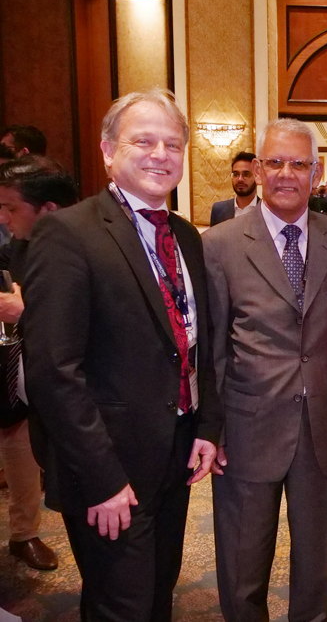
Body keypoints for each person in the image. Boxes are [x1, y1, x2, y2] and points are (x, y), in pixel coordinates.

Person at [22, 89, 222, 621]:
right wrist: (102, 479)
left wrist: (207, 426)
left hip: (174, 451)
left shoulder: (186, 236)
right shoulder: (68, 233)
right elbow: (53, 372)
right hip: (108, 466)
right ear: (109, 150)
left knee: (158, 591)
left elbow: (196, 341)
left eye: (172, 144)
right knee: (121, 605)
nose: (161, 154)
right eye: (144, 141)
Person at [203, 118, 327, 622]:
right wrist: (213, 429)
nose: (286, 174)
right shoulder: (220, 243)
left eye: (299, 164)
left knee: (316, 568)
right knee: (242, 567)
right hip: (246, 429)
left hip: (321, 427)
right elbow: (213, 348)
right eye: (275, 162)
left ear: (315, 173)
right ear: (257, 169)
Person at [0, 155, 77, 571]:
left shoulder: (88, 247)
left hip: (62, 383)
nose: (3, 218)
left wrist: (23, 311)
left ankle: (25, 533)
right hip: (19, 366)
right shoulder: (19, 245)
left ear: (47, 209)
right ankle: (23, 534)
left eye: (10, 208)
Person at [210, 151, 259, 225]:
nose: (240, 179)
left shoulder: (267, 210)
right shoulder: (219, 210)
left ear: (257, 176)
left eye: (246, 174)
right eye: (236, 174)